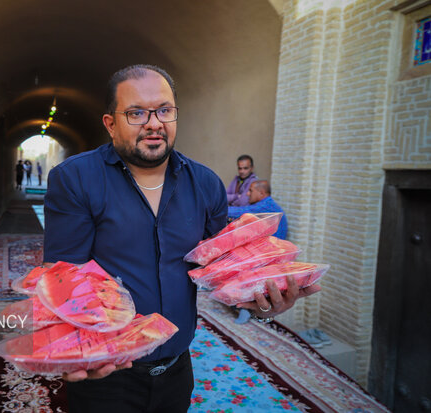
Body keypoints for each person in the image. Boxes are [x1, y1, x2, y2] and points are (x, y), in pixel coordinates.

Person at [43, 64, 319, 413]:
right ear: (110, 124)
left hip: (177, 370)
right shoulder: (75, 179)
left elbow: (225, 272)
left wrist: (263, 300)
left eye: (164, 110)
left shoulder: (205, 184)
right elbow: (62, 275)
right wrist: (67, 347)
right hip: (107, 375)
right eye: (136, 113)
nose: (154, 122)